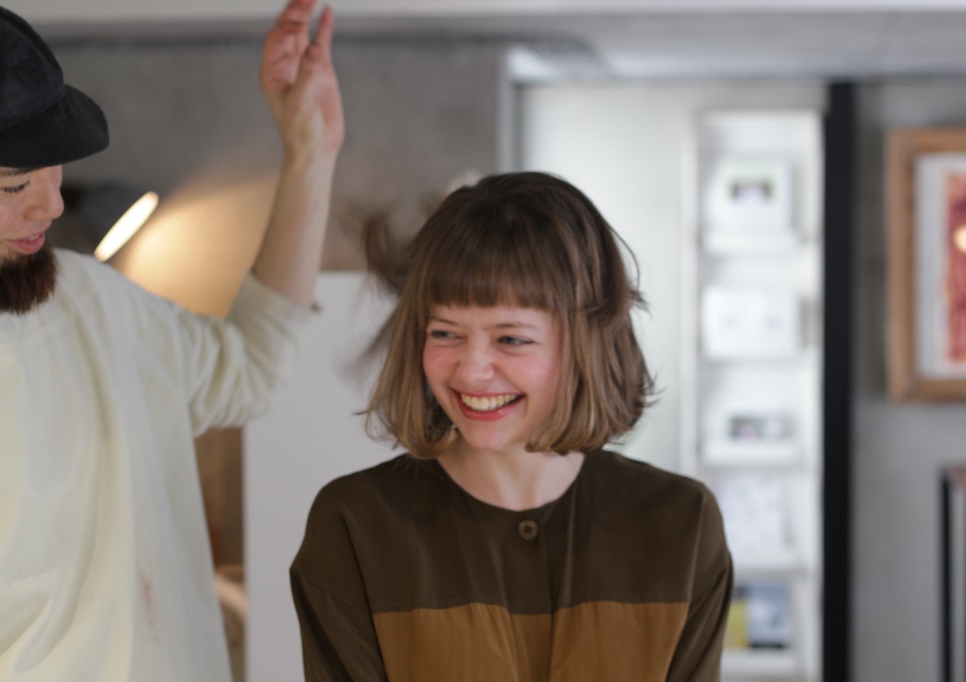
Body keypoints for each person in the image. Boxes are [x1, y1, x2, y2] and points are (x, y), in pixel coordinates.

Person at [0, 0, 343, 679]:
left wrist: (311, 153)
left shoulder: (88, 300)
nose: (52, 204)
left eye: (53, 168)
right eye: (13, 183)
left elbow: (250, 366)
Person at [291, 172, 733, 681]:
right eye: (445, 333)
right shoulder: (354, 526)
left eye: (512, 339)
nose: (472, 370)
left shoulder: (682, 526)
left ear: (585, 343)